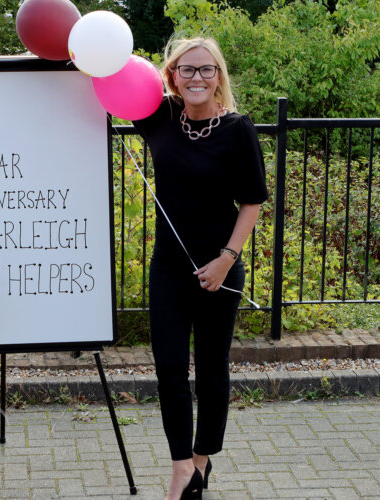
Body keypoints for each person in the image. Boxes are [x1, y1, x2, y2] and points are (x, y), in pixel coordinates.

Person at [132, 37, 268, 500]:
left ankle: (202, 459)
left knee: (212, 369)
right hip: (168, 268)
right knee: (169, 368)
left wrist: (226, 260)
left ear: (219, 77)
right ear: (171, 76)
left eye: (206, 70)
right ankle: (180, 469)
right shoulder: (160, 119)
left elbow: (251, 201)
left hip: (221, 267)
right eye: (186, 70)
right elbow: (104, 81)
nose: (196, 78)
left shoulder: (238, 129)